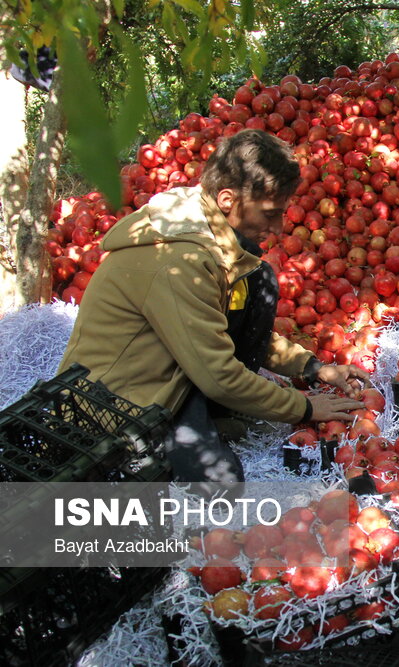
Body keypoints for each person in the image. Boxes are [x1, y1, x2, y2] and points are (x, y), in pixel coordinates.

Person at [59, 129, 367, 485]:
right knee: (218, 481)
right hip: (118, 402)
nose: (279, 227)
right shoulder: (180, 260)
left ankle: (216, 413)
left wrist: (312, 367)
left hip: (173, 372)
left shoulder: (212, 239)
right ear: (226, 200)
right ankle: (195, 424)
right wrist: (306, 408)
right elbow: (217, 373)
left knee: (260, 279)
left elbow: (217, 327)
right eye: (269, 213)